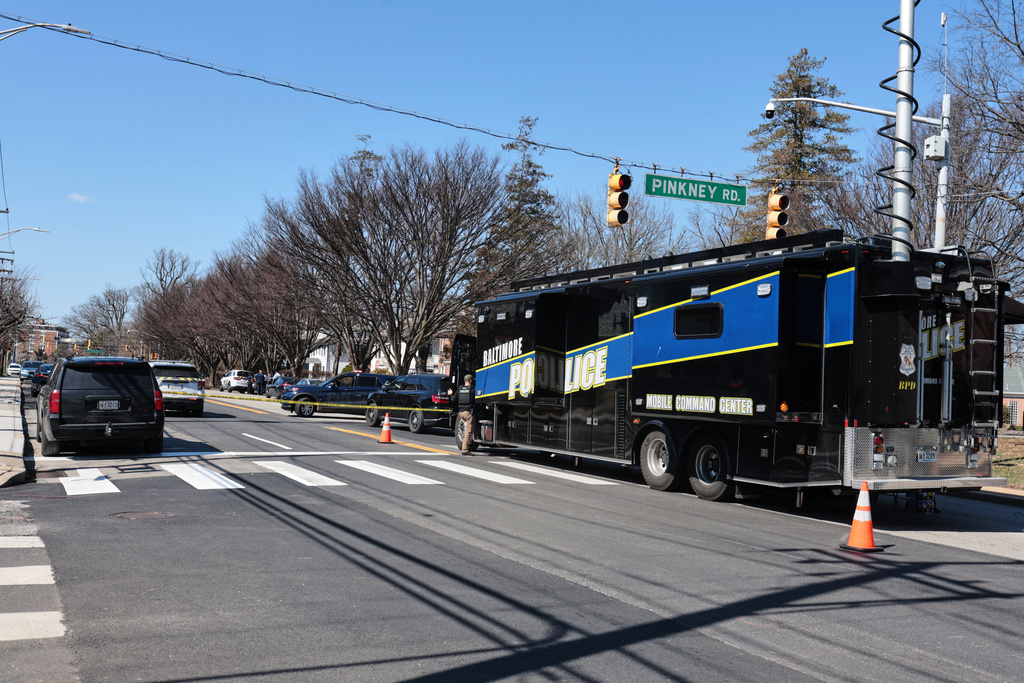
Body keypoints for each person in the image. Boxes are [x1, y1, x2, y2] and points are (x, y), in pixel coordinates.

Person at [456, 373, 475, 455]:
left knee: (470, 428)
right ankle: (465, 449)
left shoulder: (460, 388)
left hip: (460, 413)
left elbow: (453, 399)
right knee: (468, 431)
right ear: (470, 381)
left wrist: (450, 394)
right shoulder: (472, 389)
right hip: (467, 413)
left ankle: (469, 442)